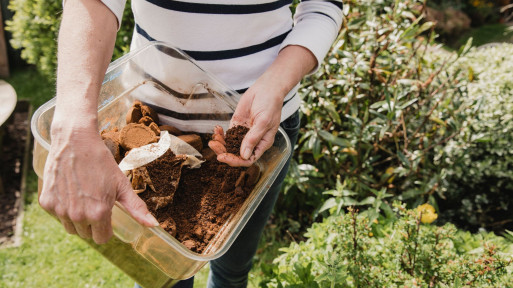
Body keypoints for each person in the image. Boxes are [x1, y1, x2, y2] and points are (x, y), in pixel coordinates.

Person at [39, 0, 343, 287]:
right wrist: (74, 129)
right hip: (150, 134)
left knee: (233, 271)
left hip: (257, 137)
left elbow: (324, 5)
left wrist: (277, 82)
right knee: (162, 279)